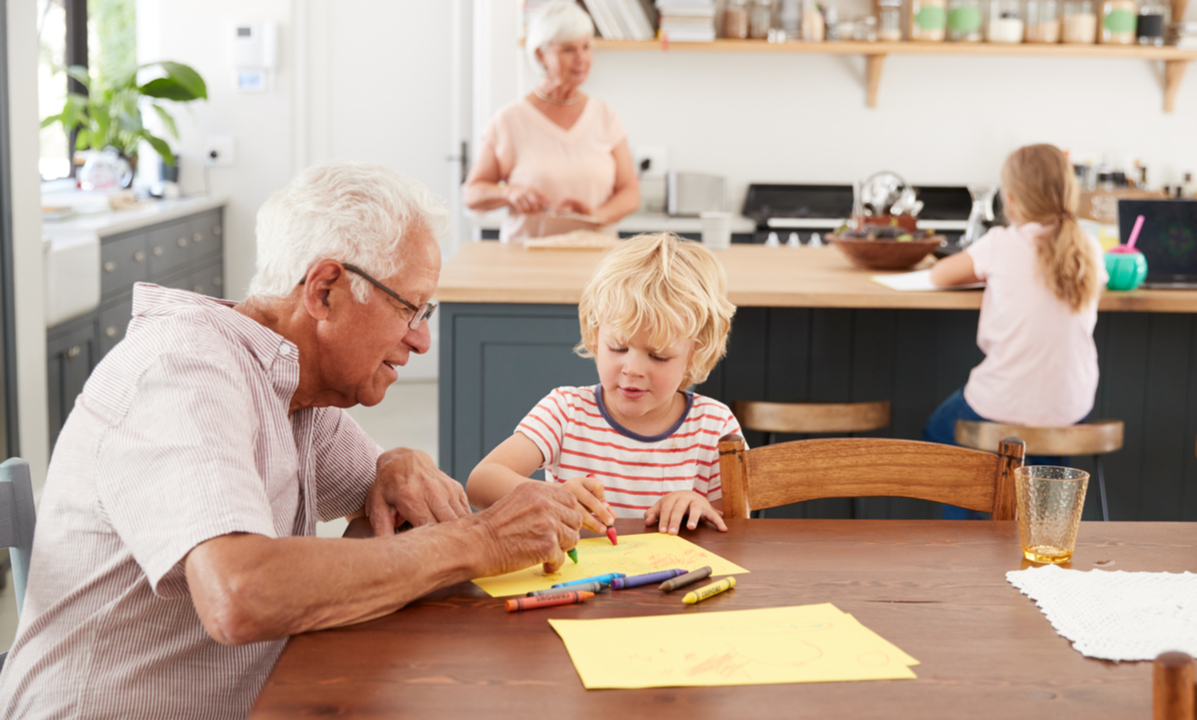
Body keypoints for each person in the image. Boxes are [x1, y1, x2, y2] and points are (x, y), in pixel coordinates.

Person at [0, 162, 584, 718]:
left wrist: (400, 463)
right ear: (325, 290)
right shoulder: (181, 372)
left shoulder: (298, 389)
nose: (422, 340)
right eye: (411, 308)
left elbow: (403, 519)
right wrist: (479, 539)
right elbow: (241, 594)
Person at [467, 233, 740, 535]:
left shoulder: (715, 425)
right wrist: (552, 497)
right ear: (596, 336)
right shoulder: (565, 412)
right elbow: (481, 482)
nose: (633, 369)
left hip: (677, 580)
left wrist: (699, 505)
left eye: (658, 356)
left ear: (695, 353)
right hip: (576, 579)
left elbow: (739, 525)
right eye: (619, 348)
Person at [925, 143, 1108, 519]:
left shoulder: (1000, 243)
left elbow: (939, 274)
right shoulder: (1088, 247)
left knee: (940, 430)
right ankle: (1038, 522)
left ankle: (965, 541)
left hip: (1000, 404)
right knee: (1034, 453)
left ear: (1010, 199)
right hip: (1068, 411)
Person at [463, 1, 640, 242]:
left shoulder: (605, 116)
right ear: (541, 55)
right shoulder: (509, 120)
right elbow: (472, 194)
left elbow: (630, 192)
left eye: (586, 47)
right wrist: (510, 194)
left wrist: (596, 215)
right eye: (568, 49)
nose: (581, 59)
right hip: (527, 261)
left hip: (597, 262)